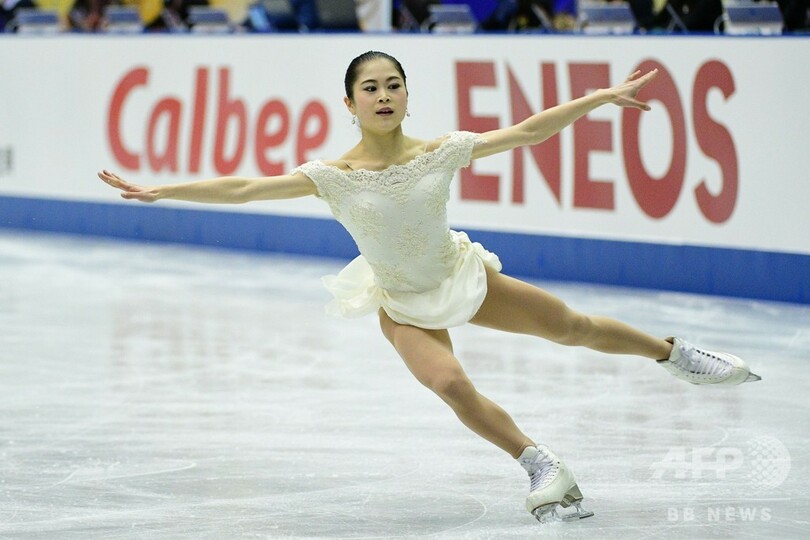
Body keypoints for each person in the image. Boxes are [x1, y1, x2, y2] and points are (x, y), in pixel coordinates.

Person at [98, 50, 761, 523]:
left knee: (571, 327)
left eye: (393, 85)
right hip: (399, 300)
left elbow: (527, 132)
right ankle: (540, 464)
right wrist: (164, 190)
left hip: (459, 275)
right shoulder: (332, 176)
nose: (383, 95)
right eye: (370, 88)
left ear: (407, 96)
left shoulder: (439, 152)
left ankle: (673, 353)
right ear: (350, 104)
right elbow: (245, 188)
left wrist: (596, 99)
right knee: (449, 384)